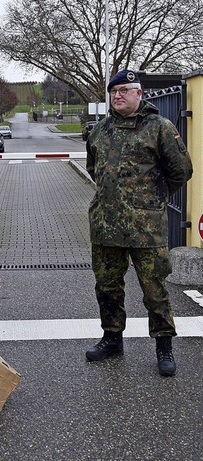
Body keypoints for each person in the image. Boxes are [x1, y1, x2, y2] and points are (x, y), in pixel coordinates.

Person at [85, 69, 193, 376]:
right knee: (107, 287)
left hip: (146, 229)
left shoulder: (160, 127)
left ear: (139, 93)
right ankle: (112, 338)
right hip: (106, 225)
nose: (118, 95)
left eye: (125, 90)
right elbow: (94, 167)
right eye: (114, 91)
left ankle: (164, 347)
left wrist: (152, 198)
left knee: (154, 289)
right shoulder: (100, 129)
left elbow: (181, 171)